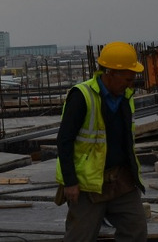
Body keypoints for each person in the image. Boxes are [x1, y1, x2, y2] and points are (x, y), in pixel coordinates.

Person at [54, 42, 147, 242]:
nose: (130, 84)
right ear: (110, 73)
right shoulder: (82, 96)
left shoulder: (125, 97)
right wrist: (70, 182)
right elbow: (64, 140)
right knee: (80, 237)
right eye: (127, 79)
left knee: (136, 230)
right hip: (87, 184)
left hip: (120, 179)